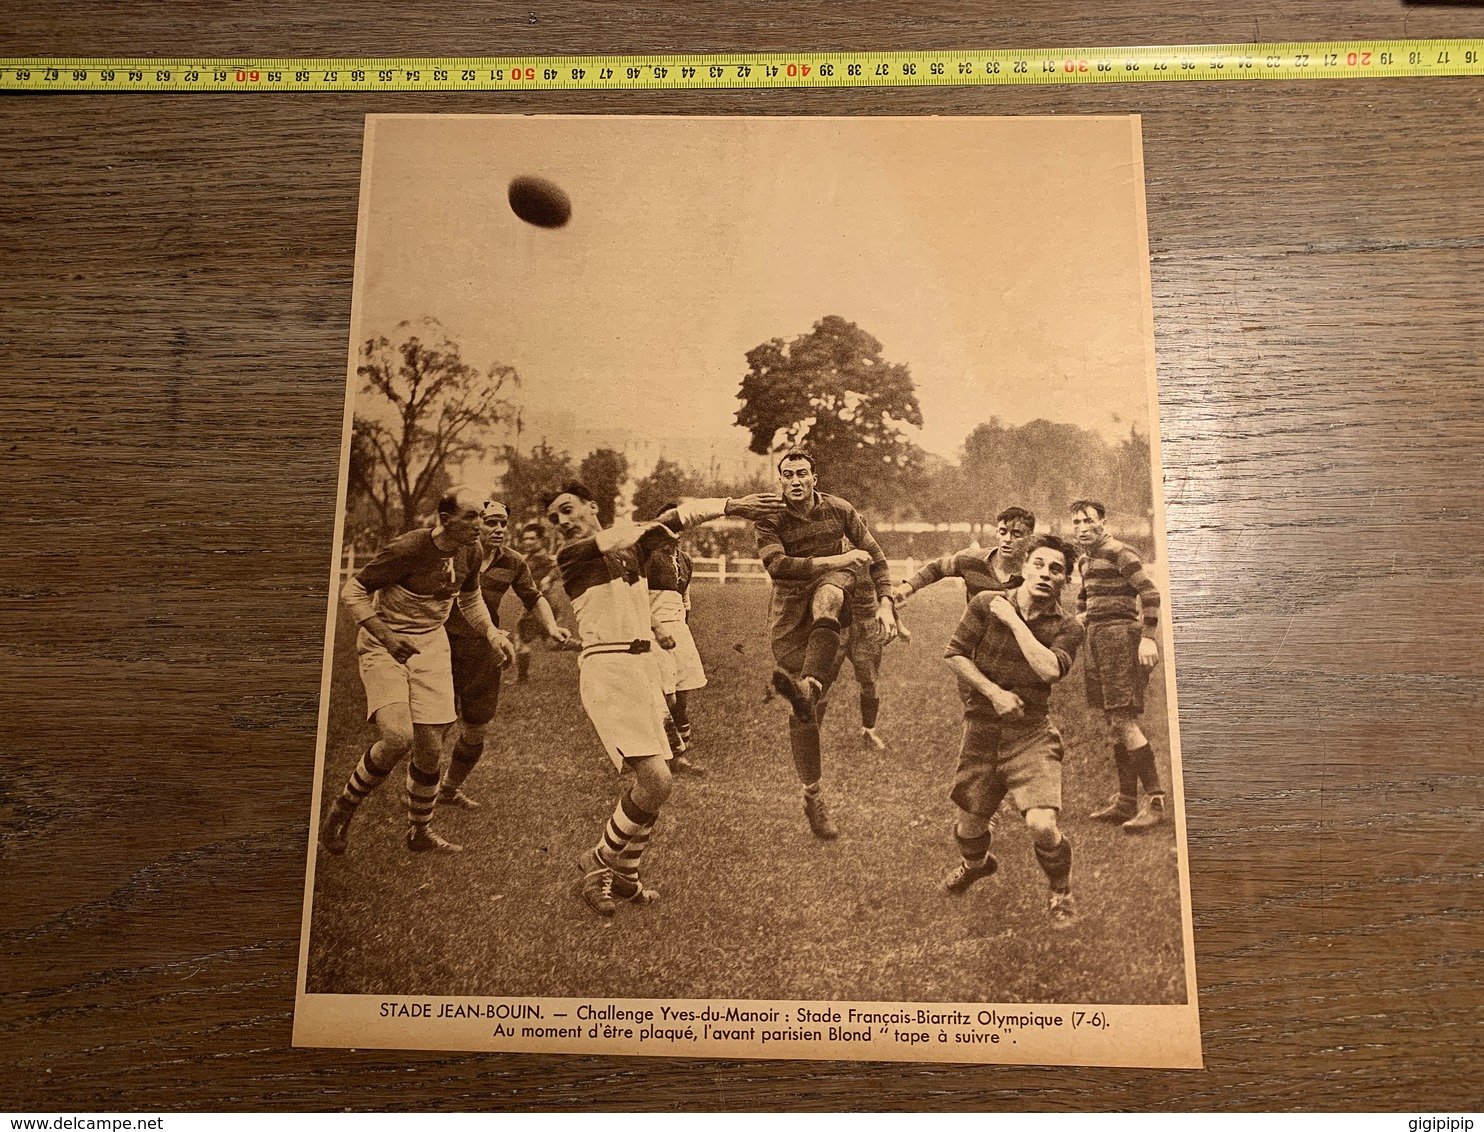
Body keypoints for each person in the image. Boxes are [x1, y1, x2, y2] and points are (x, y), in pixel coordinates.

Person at [544, 481, 784, 917]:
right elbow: (639, 529)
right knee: (657, 780)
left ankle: (627, 876)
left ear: (592, 504)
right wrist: (731, 505)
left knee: (663, 775)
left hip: (643, 666)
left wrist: (730, 507)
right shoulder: (573, 555)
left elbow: (676, 519)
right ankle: (597, 861)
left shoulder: (631, 550)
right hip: (609, 669)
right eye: (555, 517)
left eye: (567, 509)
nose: (562, 522)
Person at [320, 486, 517, 856]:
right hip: (385, 643)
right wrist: (387, 636)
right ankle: (342, 809)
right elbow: (353, 590)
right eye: (470, 516)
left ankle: (419, 832)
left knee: (430, 750)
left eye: (481, 515)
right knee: (397, 737)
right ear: (445, 520)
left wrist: (491, 632)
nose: (479, 524)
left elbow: (470, 597)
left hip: (431, 645)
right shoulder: (408, 548)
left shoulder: (471, 551)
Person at [938, 534, 1084, 926]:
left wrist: (1013, 621)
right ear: (1023, 568)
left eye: (1056, 569)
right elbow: (954, 654)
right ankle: (976, 865)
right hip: (982, 730)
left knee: (1041, 824)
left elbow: (1050, 669)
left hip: (1030, 733)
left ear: (1064, 581)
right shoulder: (984, 603)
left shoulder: (1069, 627)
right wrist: (993, 692)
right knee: (968, 829)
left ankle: (1061, 892)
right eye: (1038, 564)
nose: (1045, 574)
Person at [754, 451, 897, 840]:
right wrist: (837, 557)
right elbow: (777, 566)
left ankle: (810, 686)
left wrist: (886, 603)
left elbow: (877, 556)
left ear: (815, 477)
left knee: (832, 592)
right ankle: (812, 794)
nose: (795, 481)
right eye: (787, 475)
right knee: (806, 716)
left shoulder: (839, 509)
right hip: (789, 619)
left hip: (829, 617)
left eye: (802, 473)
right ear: (780, 481)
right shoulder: (768, 517)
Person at [439, 500, 572, 810]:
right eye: (491, 522)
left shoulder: (512, 562)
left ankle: (449, 788)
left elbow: (534, 596)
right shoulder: (453, 553)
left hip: (486, 648)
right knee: (438, 724)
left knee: (476, 727)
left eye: (502, 523)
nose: (498, 529)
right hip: (443, 645)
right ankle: (421, 792)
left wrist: (551, 627)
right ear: (476, 524)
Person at [1069, 499, 1166, 832]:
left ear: (1103, 522)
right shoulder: (1086, 560)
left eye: (1087, 521)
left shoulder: (1121, 553)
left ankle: (1155, 801)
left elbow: (1150, 594)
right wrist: (1080, 617)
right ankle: (1125, 803)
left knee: (1123, 719)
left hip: (1121, 638)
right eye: (1076, 522)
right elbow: (1085, 595)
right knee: (1114, 721)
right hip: (1096, 639)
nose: (1081, 528)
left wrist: (1148, 638)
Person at [643, 505, 707, 773]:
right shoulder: (646, 558)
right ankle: (655, 754)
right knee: (664, 697)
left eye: (679, 525)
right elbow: (634, 599)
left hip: (679, 631)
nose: (675, 531)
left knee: (682, 696)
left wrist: (683, 629)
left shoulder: (685, 560)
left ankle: (679, 754)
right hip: (653, 631)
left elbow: (685, 599)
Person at [891, 506, 1036, 607]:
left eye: (1016, 534)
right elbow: (937, 567)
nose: (1007, 539)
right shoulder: (972, 560)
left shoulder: (1036, 575)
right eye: (1003, 532)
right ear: (997, 533)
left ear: (1030, 539)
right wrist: (906, 589)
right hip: (973, 648)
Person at [512, 522, 567, 682]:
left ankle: (522, 678)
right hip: (542, 604)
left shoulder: (542, 557)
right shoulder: (530, 557)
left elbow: (559, 566)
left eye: (532, 538)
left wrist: (548, 578)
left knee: (521, 639)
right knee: (552, 642)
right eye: (525, 538)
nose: (528, 542)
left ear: (541, 540)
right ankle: (584, 646)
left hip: (538, 605)